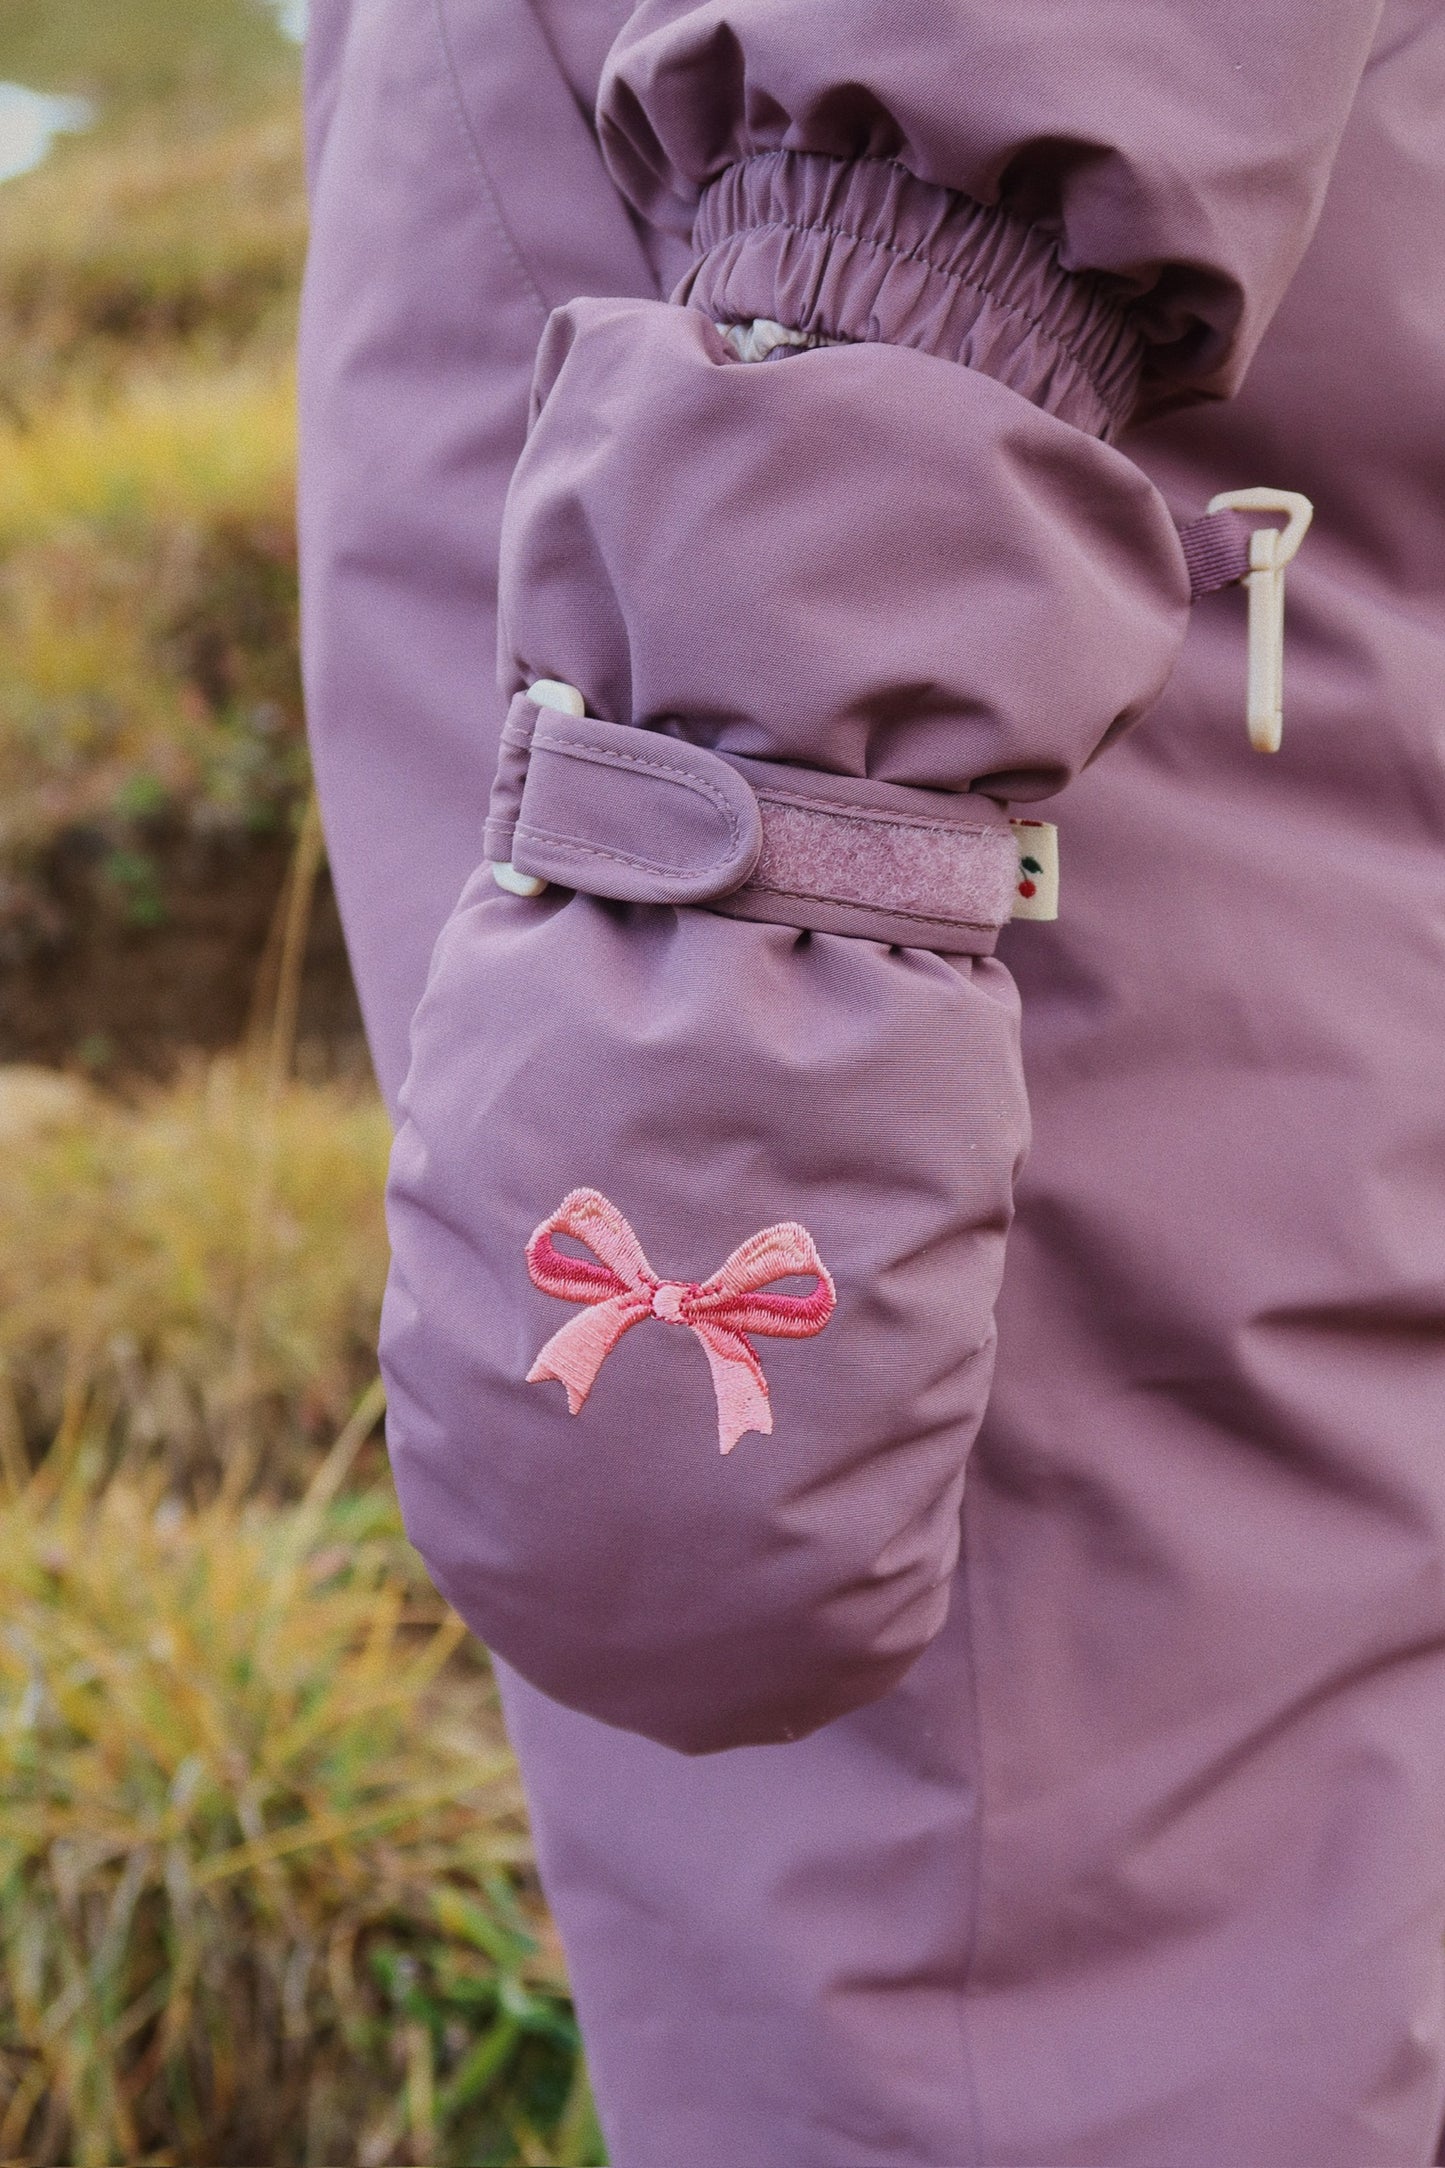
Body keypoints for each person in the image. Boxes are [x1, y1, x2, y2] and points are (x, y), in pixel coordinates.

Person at [298, 2, 1445, 2160]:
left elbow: (970, 90)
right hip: (891, 860)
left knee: (1037, 2001)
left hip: (922, 996)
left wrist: (739, 953)